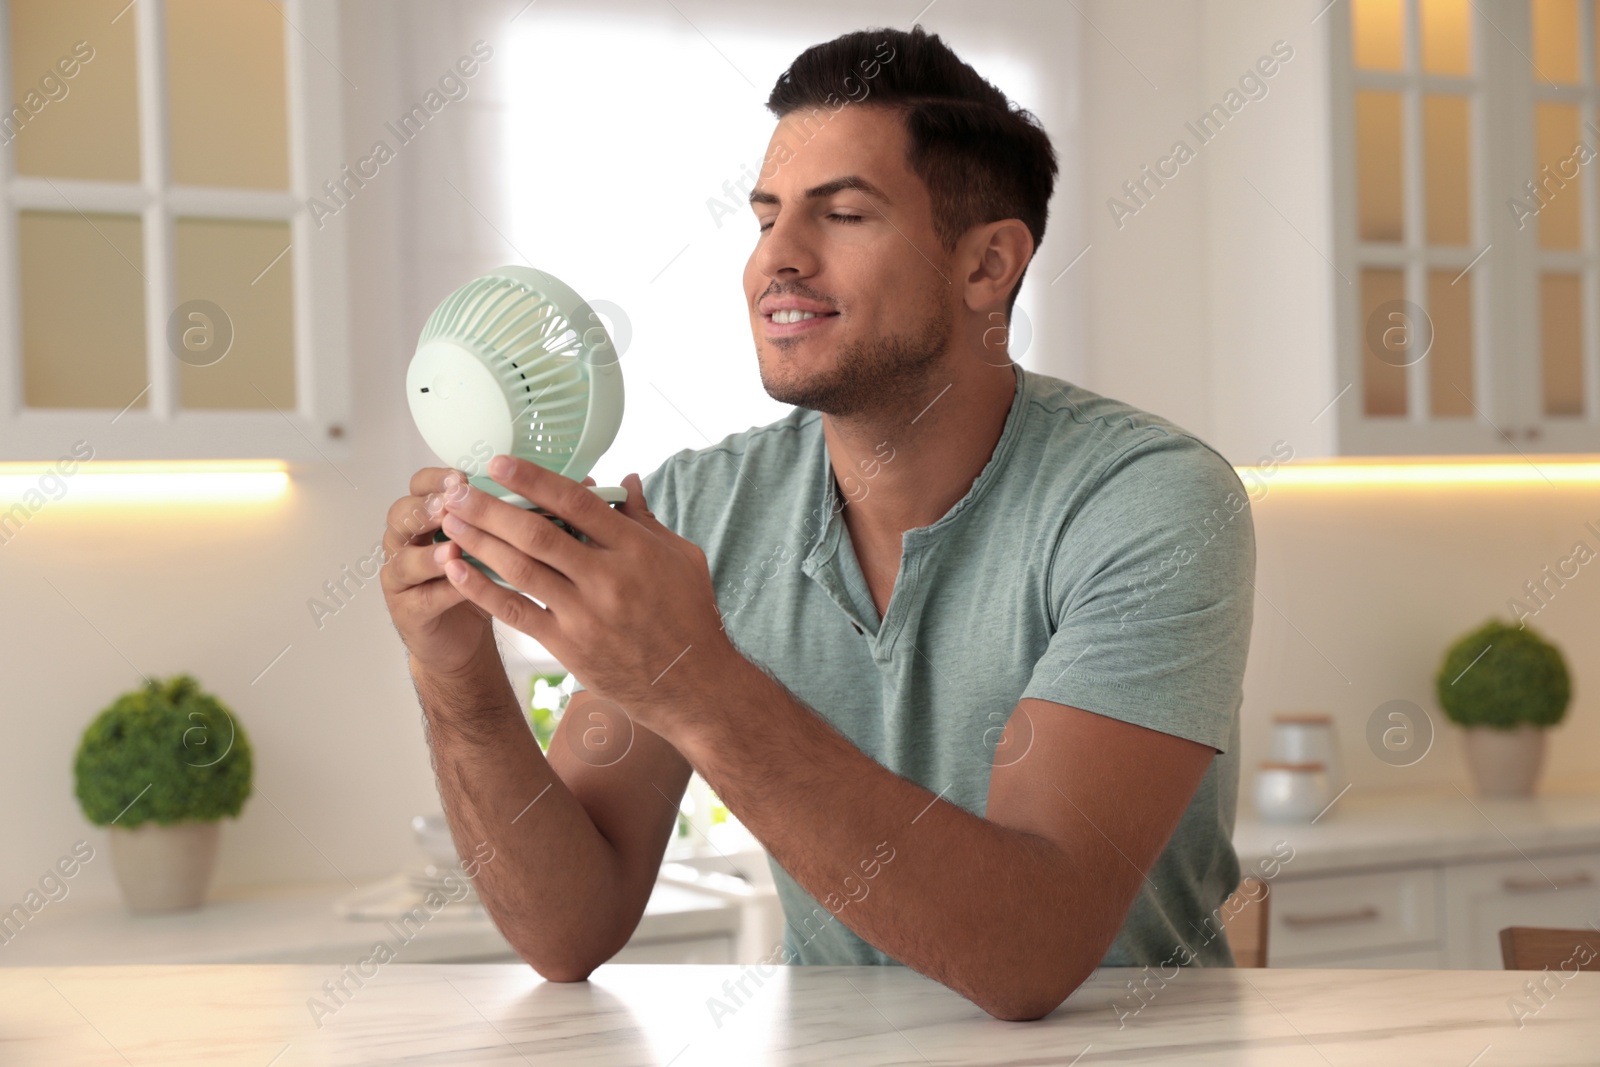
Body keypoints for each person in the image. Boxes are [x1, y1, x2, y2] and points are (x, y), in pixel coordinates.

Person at [379, 25, 1254, 1022]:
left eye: (840, 213)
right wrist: (457, 676)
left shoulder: (1149, 502)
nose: (777, 260)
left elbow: (1031, 951)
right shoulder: (703, 508)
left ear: (987, 266)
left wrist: (693, 677)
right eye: (764, 219)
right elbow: (567, 927)